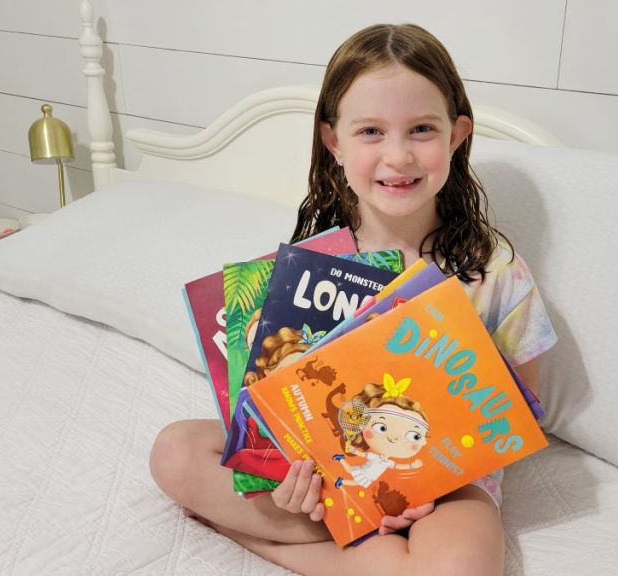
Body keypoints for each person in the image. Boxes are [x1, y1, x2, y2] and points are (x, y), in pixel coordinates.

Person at [149, 23, 556, 576]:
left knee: (463, 565)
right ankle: (365, 554)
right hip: (325, 477)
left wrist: (425, 484)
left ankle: (278, 546)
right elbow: (271, 405)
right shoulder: (311, 265)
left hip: (446, 484)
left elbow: (521, 416)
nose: (398, 155)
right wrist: (300, 477)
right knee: (175, 451)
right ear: (333, 141)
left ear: (457, 136)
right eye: (370, 131)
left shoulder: (494, 269)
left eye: (421, 129)